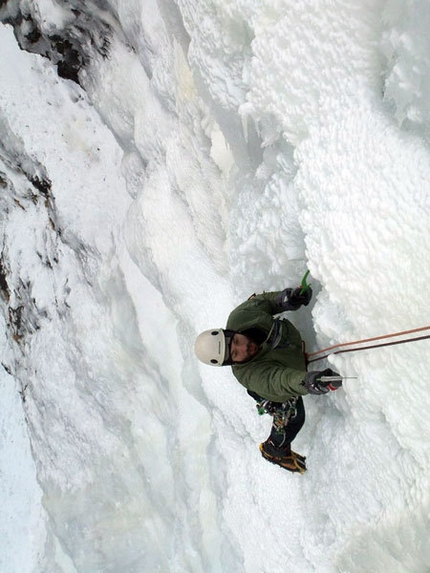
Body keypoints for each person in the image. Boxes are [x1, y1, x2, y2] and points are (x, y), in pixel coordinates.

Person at [194, 286, 341, 474]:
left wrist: (284, 299)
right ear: (230, 362)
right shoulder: (251, 375)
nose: (244, 347)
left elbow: (263, 303)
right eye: (235, 353)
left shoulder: (240, 317)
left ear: (230, 331)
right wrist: (307, 381)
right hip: (272, 388)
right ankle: (274, 449)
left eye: (236, 341)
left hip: (287, 355)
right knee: (293, 414)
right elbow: (280, 380)